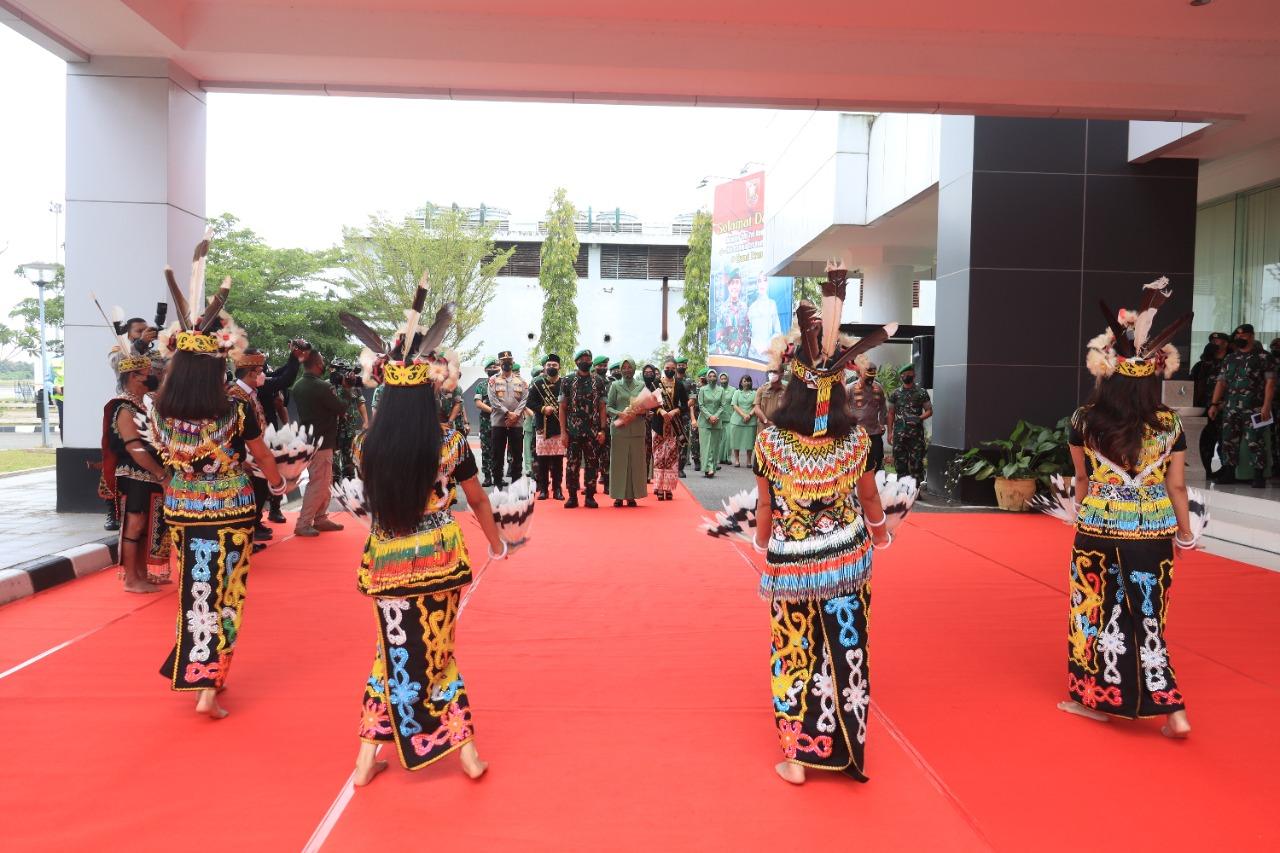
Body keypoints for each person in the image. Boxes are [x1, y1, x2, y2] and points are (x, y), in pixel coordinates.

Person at [351, 310, 507, 786]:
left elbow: (372, 498)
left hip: (386, 559)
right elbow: (477, 499)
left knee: (390, 649)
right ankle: (466, 753)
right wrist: (497, 543)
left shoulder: (365, 445)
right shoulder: (450, 442)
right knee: (437, 650)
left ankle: (366, 759)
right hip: (438, 557)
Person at [752, 267, 893, 785]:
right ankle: (847, 749)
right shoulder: (857, 442)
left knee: (795, 648)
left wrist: (761, 545)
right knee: (847, 646)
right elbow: (869, 496)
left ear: (793, 391)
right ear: (838, 395)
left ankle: (798, 755)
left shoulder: (770, 442)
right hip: (848, 561)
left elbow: (765, 507)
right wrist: (882, 533)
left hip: (791, 565)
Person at [1059, 284, 1195, 738]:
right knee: (1148, 613)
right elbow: (1177, 486)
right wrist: (1185, 534)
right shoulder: (1169, 423)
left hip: (1098, 527)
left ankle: (1094, 697)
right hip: (1153, 531)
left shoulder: (1084, 419)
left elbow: (1081, 479)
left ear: (1107, 372)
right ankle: (1173, 709)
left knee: (1093, 609)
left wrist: (1081, 510)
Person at [150, 293, 286, 719]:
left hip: (183, 509)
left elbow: (165, 454)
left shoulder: (161, 410)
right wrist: (279, 483)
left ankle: (197, 670)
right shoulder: (236, 408)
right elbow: (261, 455)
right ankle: (209, 682)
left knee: (195, 590)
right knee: (228, 592)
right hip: (231, 510)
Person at [100, 343, 169, 592]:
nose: (154, 377)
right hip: (134, 473)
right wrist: (160, 474)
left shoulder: (143, 405)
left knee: (145, 525)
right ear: (134, 377)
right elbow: (134, 447)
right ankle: (131, 578)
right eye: (149, 373)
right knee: (135, 524)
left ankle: (141, 573)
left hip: (148, 474)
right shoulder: (124, 407)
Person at [1208, 323, 1276, 487]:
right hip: (1231, 408)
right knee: (1228, 440)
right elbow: (1221, 382)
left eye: (1243, 335)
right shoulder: (1230, 358)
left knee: (1256, 441)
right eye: (1237, 336)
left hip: (1255, 408)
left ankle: (1258, 475)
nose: (1239, 338)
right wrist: (1214, 404)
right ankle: (1229, 473)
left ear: (1251, 336)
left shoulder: (1264, 357)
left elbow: (1270, 383)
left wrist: (1267, 406)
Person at [292, 350, 347, 537]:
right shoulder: (322, 386)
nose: (324, 365)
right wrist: (346, 390)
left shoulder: (298, 386)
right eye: (322, 361)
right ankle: (303, 523)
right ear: (317, 364)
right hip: (322, 442)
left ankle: (321, 518)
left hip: (310, 440)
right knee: (318, 483)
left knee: (324, 481)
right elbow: (341, 407)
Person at [227, 349, 276, 551]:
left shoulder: (251, 393)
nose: (263, 374)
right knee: (246, 498)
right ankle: (245, 539)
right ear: (251, 373)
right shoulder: (235, 395)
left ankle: (252, 530)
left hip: (256, 453)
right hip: (244, 456)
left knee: (257, 493)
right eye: (260, 371)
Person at [257, 342, 307, 523]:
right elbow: (284, 380)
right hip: (256, 437)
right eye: (259, 368)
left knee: (277, 469)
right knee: (259, 477)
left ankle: (274, 509)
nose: (262, 372)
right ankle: (256, 518)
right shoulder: (257, 383)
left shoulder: (261, 378)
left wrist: (294, 356)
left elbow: (281, 374)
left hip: (269, 433)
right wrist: (294, 357)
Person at [560, 349, 608, 509]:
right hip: (572, 432)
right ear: (576, 362)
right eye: (583, 359)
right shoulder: (567, 380)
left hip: (592, 432)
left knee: (592, 464)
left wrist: (603, 430)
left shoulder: (598, 381)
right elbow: (562, 407)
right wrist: (563, 432)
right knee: (572, 465)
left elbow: (602, 407)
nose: (586, 361)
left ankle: (590, 496)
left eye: (589, 359)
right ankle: (572, 497)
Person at [606, 357, 649, 507]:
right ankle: (618, 496)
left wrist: (641, 410)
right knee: (619, 464)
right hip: (620, 429)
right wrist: (620, 413)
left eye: (629, 367)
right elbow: (608, 407)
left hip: (637, 430)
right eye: (624, 368)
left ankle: (632, 496)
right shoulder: (615, 385)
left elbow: (647, 407)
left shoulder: (641, 385)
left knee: (635, 464)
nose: (627, 370)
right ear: (620, 370)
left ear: (634, 368)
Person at [486, 350, 528, 489]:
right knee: (497, 455)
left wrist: (516, 414)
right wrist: (507, 413)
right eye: (503, 361)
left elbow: (524, 399)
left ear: (512, 362)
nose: (506, 363)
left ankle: (516, 484)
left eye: (509, 360)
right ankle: (498, 484)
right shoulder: (493, 380)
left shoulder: (521, 381)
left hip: (517, 423)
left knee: (517, 455)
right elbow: (493, 400)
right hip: (499, 423)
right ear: (499, 363)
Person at [886, 366, 931, 485]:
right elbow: (890, 413)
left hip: (916, 434)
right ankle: (902, 488)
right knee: (900, 463)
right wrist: (889, 432)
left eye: (909, 374)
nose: (906, 376)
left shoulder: (921, 392)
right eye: (904, 374)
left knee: (917, 463)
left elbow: (929, 411)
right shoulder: (895, 393)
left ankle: (916, 488)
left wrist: (919, 418)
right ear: (901, 376)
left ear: (914, 375)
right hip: (899, 434)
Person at [531, 354, 567, 500]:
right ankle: (544, 490)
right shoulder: (538, 383)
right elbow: (529, 402)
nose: (551, 367)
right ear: (545, 367)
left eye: (554, 365)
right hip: (543, 427)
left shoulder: (564, 383)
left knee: (558, 461)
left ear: (559, 367)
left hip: (559, 427)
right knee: (542, 461)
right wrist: (542, 408)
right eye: (549, 365)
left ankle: (557, 489)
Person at [1189, 337, 1227, 477]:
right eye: (1212, 342)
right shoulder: (1201, 366)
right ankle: (1206, 470)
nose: (1214, 344)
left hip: (1224, 409)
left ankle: (1226, 471)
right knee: (1205, 442)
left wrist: (1223, 403)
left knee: (1225, 441)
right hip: (1203, 409)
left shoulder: (1229, 363)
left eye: (1218, 341)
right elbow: (1192, 386)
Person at [651, 357, 686, 500]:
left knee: (671, 457)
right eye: (667, 368)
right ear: (663, 368)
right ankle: (659, 487)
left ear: (675, 369)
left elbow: (685, 405)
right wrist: (661, 411)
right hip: (658, 425)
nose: (670, 371)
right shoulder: (655, 384)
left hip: (673, 426)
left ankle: (668, 488)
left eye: (672, 369)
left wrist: (675, 411)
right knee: (659, 457)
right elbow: (651, 404)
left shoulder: (680, 384)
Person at [847, 361, 888, 472]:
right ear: (860, 373)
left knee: (877, 459)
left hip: (874, 432)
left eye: (873, 377)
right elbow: (842, 407)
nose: (871, 379)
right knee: (856, 462)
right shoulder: (850, 388)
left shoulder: (878, 388)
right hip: (856, 433)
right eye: (868, 376)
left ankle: (874, 480)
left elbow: (883, 406)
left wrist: (882, 423)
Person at [697, 367, 727, 477]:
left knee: (714, 446)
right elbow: (701, 405)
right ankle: (707, 467)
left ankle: (712, 467)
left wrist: (715, 416)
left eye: (714, 376)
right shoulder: (702, 390)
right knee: (706, 446)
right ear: (707, 378)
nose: (712, 378)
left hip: (717, 421)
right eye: (710, 376)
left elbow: (723, 405)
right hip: (704, 422)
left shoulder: (721, 390)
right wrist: (709, 416)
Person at [714, 269, 751, 357]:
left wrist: (744, 351)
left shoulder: (745, 308)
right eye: (732, 283)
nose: (734, 286)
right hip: (726, 357)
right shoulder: (722, 309)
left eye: (737, 283)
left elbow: (748, 333)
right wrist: (727, 353)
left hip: (743, 357)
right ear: (728, 286)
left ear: (740, 285)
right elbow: (719, 338)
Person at [475, 358, 499, 487]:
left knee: (498, 450)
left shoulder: (503, 384)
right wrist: (492, 410)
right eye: (491, 367)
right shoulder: (481, 386)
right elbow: (478, 403)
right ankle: (488, 477)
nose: (494, 369)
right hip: (486, 422)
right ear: (486, 370)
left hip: (500, 422)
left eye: (496, 366)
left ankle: (498, 476)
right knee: (486, 450)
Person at [748, 273, 783, 359]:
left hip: (767, 355)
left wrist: (766, 345)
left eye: (765, 280)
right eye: (759, 281)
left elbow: (778, 332)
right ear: (756, 284)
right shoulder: (751, 307)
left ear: (768, 283)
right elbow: (747, 333)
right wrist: (756, 345)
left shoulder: (772, 304)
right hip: (753, 354)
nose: (762, 284)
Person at [728, 374, 758, 467]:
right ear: (741, 383)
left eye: (748, 381)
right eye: (745, 381)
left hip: (751, 420)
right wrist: (744, 415)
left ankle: (749, 461)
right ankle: (737, 460)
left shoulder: (755, 393)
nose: (747, 383)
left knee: (750, 441)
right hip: (737, 420)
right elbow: (734, 405)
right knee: (736, 440)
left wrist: (749, 415)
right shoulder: (737, 392)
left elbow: (756, 406)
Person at [674, 357, 693, 476]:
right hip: (671, 416)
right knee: (671, 441)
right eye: (679, 365)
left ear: (686, 366)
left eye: (683, 365)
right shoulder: (670, 379)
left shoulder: (690, 381)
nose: (681, 366)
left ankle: (680, 467)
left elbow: (692, 399)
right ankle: (671, 465)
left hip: (684, 416)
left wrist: (681, 409)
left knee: (683, 441)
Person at [521, 365, 537, 479]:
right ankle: (528, 468)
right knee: (527, 447)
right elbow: (524, 405)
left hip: (540, 424)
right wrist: (534, 415)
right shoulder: (528, 389)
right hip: (530, 423)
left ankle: (537, 468)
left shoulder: (543, 387)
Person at [718, 372, 735, 465]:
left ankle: (728, 457)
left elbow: (735, 403)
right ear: (719, 380)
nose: (723, 380)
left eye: (725, 379)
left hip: (730, 417)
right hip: (718, 417)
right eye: (722, 379)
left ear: (728, 379)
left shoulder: (733, 390)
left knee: (728, 438)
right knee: (720, 439)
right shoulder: (716, 389)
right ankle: (719, 458)